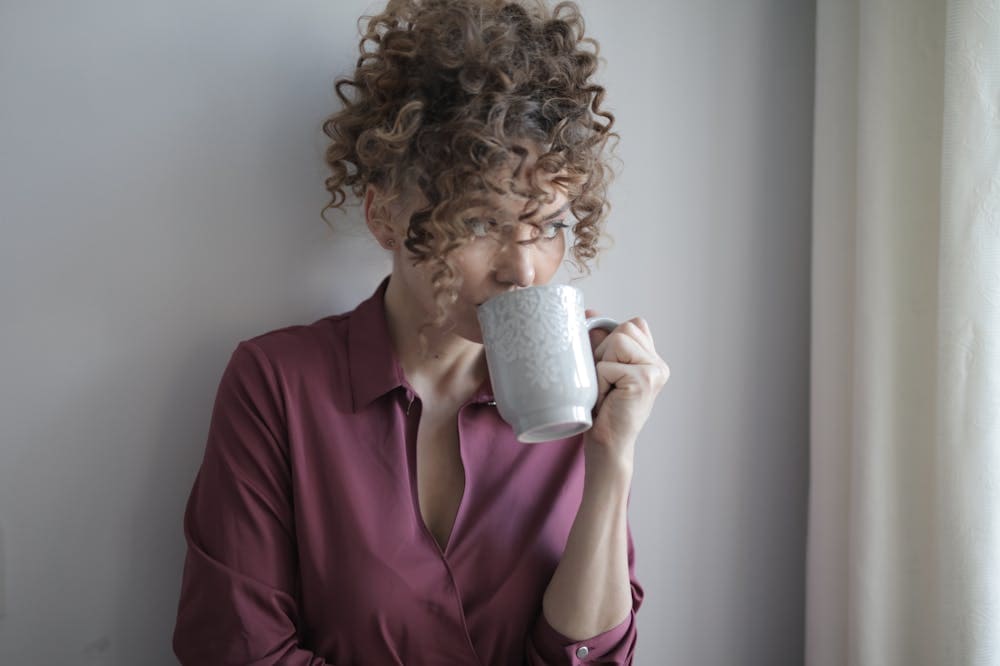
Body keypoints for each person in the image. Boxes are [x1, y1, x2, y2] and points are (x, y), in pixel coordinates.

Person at [172, 0, 670, 664]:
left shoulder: (578, 396)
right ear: (384, 216)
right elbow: (235, 651)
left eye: (548, 225)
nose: (523, 269)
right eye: (479, 223)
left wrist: (611, 461)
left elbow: (593, 658)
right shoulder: (278, 387)